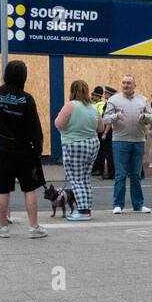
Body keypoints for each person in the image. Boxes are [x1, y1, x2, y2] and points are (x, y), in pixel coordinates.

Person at [0, 58, 47, 239]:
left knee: (2, 190)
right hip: (24, 150)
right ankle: (33, 227)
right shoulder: (26, 99)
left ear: (6, 74)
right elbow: (35, 129)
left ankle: (2, 228)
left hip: (2, 149)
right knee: (29, 188)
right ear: (23, 77)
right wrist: (38, 148)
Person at [104, 75, 152, 214]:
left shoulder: (143, 99)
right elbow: (105, 119)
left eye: (129, 83)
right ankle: (117, 205)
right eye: (124, 83)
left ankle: (138, 205)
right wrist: (116, 116)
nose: (126, 85)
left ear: (135, 85)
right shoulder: (113, 99)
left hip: (138, 141)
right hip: (119, 141)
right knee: (120, 174)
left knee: (136, 175)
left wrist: (145, 116)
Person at [54, 78, 102, 221]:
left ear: (72, 91)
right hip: (93, 144)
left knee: (75, 179)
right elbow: (101, 128)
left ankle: (82, 212)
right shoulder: (94, 107)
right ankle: (87, 208)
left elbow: (59, 124)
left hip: (74, 144)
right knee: (85, 178)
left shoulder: (70, 106)